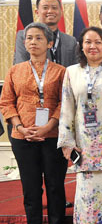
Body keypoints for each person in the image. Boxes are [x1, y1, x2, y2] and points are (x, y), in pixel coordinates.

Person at [57, 26, 102, 223]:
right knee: (87, 200)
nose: (93, 46)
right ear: (81, 46)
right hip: (84, 147)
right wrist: (67, 141)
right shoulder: (71, 72)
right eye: (88, 42)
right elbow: (66, 108)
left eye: (98, 42)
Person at [0, 22, 68, 224]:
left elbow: (65, 102)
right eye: (29, 38)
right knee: (30, 187)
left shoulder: (61, 71)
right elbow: (6, 102)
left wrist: (48, 126)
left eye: (39, 38)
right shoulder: (14, 71)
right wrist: (19, 127)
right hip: (23, 137)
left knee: (55, 186)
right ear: (24, 43)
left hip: (53, 136)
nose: (33, 42)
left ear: (49, 43)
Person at [14, 0, 78, 67]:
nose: (50, 11)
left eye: (54, 8)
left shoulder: (71, 40)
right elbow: (21, 66)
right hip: (33, 78)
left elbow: (75, 68)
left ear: (61, 12)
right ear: (37, 12)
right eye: (45, 7)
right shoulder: (25, 36)